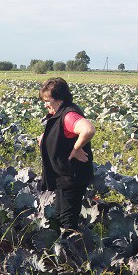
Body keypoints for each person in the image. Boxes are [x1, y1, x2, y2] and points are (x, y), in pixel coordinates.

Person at [37, 77, 96, 231]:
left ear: (60, 99)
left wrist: (76, 149)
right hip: (63, 177)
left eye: (48, 100)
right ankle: (64, 249)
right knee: (59, 216)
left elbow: (88, 129)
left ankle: (72, 252)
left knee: (67, 221)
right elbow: (61, 135)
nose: (45, 104)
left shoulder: (69, 115)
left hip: (71, 178)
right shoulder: (61, 112)